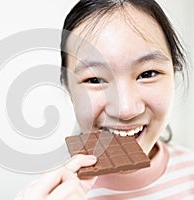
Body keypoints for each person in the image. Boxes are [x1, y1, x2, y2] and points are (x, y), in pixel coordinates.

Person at [16, 0, 194, 199]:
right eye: (94, 79)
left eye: (147, 74)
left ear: (175, 72)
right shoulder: (49, 193)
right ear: (68, 88)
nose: (125, 110)